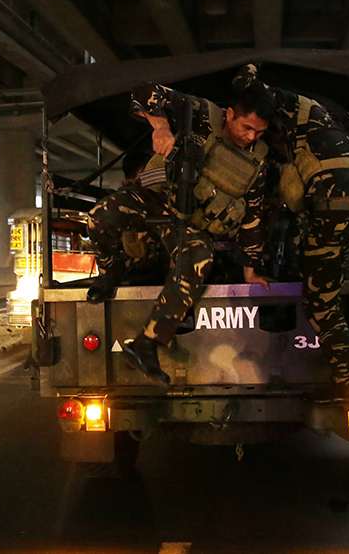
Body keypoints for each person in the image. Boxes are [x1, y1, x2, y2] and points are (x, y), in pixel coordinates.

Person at [86, 81, 274, 387]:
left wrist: (250, 269)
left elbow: (253, 216)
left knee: (199, 257)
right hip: (154, 198)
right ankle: (112, 271)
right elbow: (144, 90)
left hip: (187, 221)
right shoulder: (203, 114)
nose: (251, 137)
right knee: (99, 216)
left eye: (260, 132)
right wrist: (161, 127)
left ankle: (147, 345)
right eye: (247, 127)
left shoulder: (257, 161)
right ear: (230, 114)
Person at [233, 64, 349, 400]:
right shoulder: (315, 117)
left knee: (319, 302)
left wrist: (252, 67)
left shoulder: (278, 101)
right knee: (320, 283)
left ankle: (348, 385)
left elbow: (245, 86)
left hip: (335, 205)